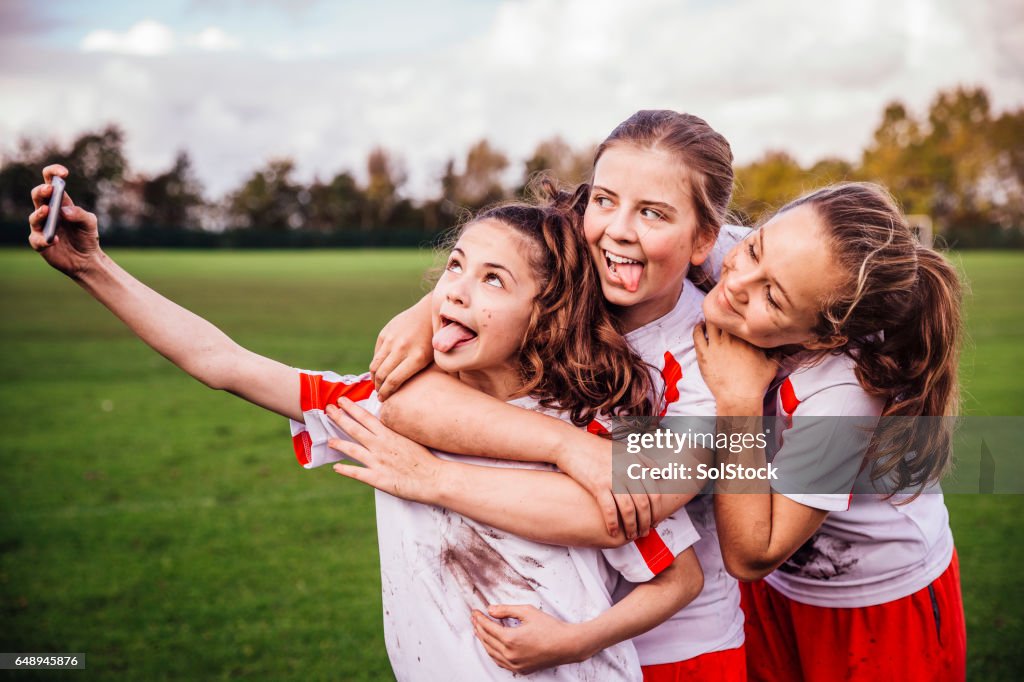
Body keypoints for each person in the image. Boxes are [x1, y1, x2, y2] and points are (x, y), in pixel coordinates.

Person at [27, 167, 705, 681]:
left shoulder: (604, 426)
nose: (458, 290)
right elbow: (223, 362)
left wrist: (572, 641)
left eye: (494, 280)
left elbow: (680, 571)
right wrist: (94, 268)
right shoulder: (384, 406)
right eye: (455, 269)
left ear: (548, 313)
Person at [330, 110, 749, 680]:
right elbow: (407, 396)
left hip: (677, 649)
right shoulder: (571, 272)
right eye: (604, 201)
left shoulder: (716, 352)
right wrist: (425, 309)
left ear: (705, 238)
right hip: (538, 632)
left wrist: (435, 479)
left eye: (651, 213)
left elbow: (627, 505)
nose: (618, 228)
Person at [694, 182, 966, 681]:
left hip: (875, 601)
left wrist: (739, 403)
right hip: (779, 587)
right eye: (753, 246)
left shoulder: (845, 393)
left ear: (827, 336)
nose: (736, 282)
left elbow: (754, 554)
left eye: (771, 297)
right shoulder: (762, 256)